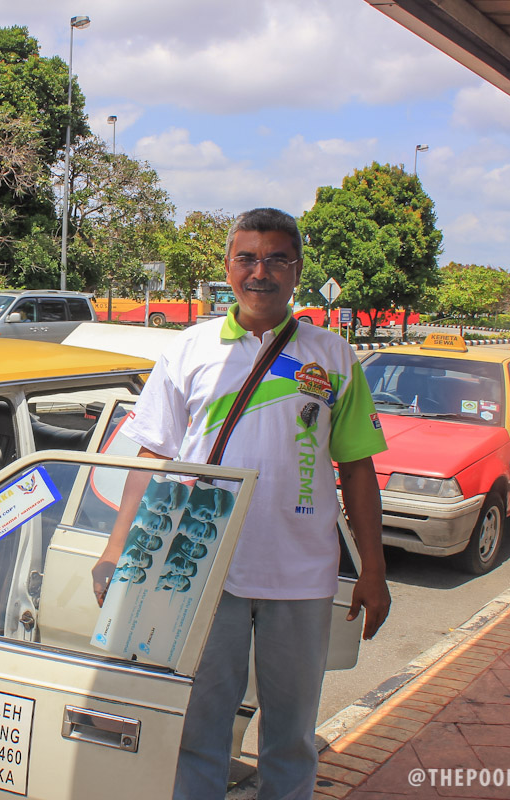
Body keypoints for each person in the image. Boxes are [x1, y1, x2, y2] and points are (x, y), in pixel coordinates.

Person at [92, 208, 390, 800]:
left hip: (301, 574)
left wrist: (374, 571)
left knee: (291, 737)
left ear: (297, 270)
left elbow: (358, 468)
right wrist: (115, 548)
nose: (261, 271)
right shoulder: (189, 349)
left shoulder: (332, 356)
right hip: (201, 569)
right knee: (198, 731)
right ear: (228, 268)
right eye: (247, 258)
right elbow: (152, 457)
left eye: (277, 258)